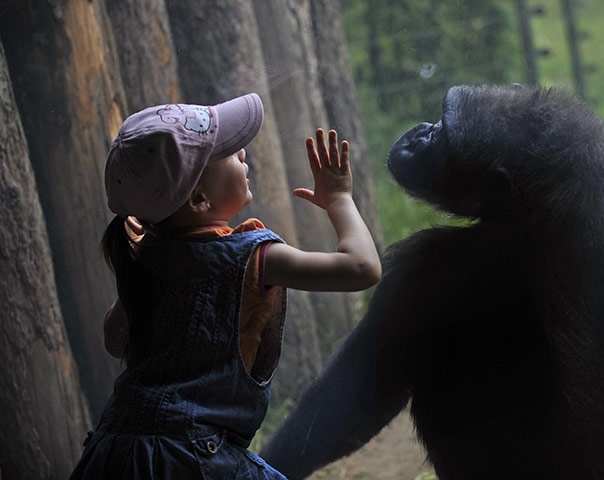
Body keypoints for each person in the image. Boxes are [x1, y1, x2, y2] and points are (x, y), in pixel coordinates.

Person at [70, 92, 381, 479]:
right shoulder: (253, 257)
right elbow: (362, 268)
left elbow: (115, 340)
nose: (243, 154)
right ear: (198, 198)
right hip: (193, 458)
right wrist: (339, 199)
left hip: (114, 452)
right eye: (230, 151)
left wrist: (146, 254)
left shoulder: (149, 260)